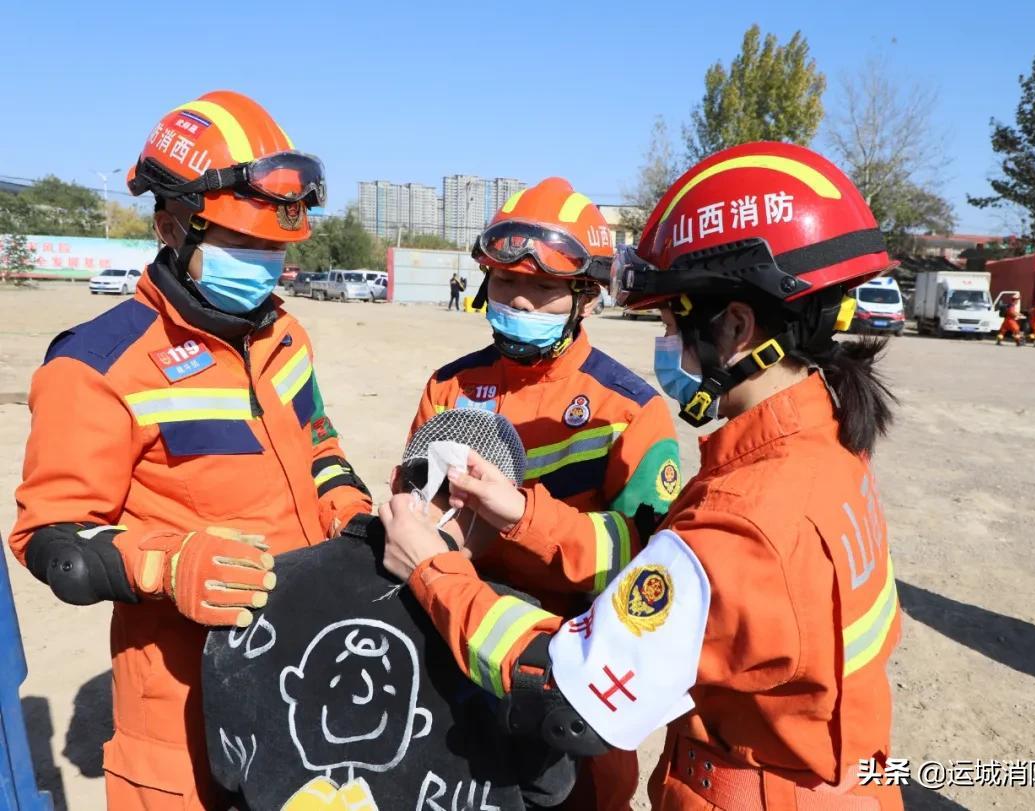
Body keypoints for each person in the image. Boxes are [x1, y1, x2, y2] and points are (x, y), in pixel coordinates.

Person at [383, 142, 904, 810]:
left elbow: (568, 692)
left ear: (737, 326)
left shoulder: (742, 516)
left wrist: (433, 570)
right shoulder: (828, 449)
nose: (665, 343)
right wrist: (517, 516)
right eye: (506, 282)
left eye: (669, 321)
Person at [8, 90, 373, 810]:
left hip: (299, 678)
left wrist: (350, 512)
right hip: (179, 710)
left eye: (275, 248)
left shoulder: (284, 336)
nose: (264, 264)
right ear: (171, 225)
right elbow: (52, 538)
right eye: (243, 244)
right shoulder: (97, 366)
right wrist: (169, 564)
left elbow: (320, 445)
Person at [409, 177, 682, 810]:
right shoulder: (449, 387)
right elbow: (414, 504)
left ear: (586, 296)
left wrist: (522, 518)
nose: (520, 300)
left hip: (570, 675)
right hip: (456, 653)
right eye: (506, 281)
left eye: (544, 288)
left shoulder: (629, 411)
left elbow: (650, 567)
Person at [203, 409, 576, 810]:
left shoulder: (263, 585)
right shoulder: (514, 631)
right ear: (497, 511)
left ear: (397, 478)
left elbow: (227, 765)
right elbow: (550, 786)